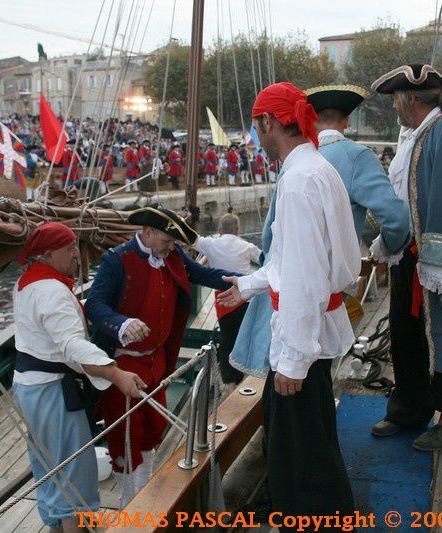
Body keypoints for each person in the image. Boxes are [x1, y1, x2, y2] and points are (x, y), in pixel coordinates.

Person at [217, 81, 359, 524]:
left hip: (301, 336)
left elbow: (301, 278)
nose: (255, 134)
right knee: (305, 436)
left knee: (302, 450)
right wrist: (250, 285)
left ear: (271, 122)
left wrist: (293, 360)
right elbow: (287, 261)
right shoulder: (314, 168)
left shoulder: (298, 181)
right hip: (315, 326)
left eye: (256, 124)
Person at [367, 63, 442, 451]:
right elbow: (402, 200)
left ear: (410, 98)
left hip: (438, 260)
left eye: (396, 100)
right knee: (406, 335)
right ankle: (409, 409)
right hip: (409, 256)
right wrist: (391, 240)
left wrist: (439, 261)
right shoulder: (414, 136)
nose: (394, 108)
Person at [85, 206, 238, 507]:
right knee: (127, 438)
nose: (173, 247)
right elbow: (95, 305)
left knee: (153, 429)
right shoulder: (116, 261)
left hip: (158, 360)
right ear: (147, 232)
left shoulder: (173, 256)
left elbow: (204, 273)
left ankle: (145, 494)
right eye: (168, 240)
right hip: (124, 363)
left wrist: (247, 282)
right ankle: (134, 503)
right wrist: (122, 324)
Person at [13, 222, 144, 532]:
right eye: (69, 248)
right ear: (46, 254)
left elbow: (49, 325)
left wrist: (85, 308)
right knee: (73, 471)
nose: (76, 254)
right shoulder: (53, 292)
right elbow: (72, 347)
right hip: (53, 393)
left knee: (47, 465)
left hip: (28, 387)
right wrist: (116, 374)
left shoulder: (27, 283)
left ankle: (56, 527)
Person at [304, 83, 409, 264]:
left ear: (313, 121)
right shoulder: (358, 157)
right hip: (334, 279)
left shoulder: (296, 158)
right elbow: (396, 219)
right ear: (347, 121)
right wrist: (385, 248)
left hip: (290, 279)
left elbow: (270, 231)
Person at [193, 213, 261, 393]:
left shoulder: (210, 244)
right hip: (245, 298)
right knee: (245, 338)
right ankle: (247, 378)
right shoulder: (247, 246)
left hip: (223, 300)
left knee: (227, 339)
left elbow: (192, 239)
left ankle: (230, 385)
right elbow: (263, 259)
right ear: (238, 231)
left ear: (219, 230)